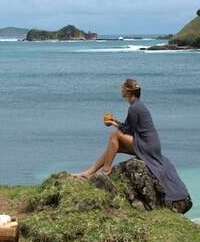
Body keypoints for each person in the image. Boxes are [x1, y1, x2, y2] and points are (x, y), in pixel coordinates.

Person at [74, 78, 192, 214]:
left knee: (114, 135)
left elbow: (126, 130)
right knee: (114, 146)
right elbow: (128, 127)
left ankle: (105, 172)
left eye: (122, 87)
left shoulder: (135, 108)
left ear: (128, 91)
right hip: (151, 144)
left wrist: (112, 123)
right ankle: (89, 172)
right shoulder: (137, 105)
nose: (120, 89)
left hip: (147, 145)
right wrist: (114, 121)